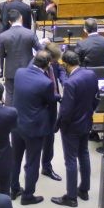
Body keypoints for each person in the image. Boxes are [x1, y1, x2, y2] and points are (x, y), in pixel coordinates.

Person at [52, 50, 98, 208]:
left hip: (72, 127)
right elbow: (95, 99)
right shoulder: (91, 75)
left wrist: (59, 126)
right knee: (84, 154)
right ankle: (84, 190)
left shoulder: (71, 84)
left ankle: (71, 197)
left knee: (70, 160)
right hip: (86, 122)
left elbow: (66, 110)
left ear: (65, 64)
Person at [10, 51, 57, 205]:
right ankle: (28, 196)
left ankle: (14, 189)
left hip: (16, 125)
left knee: (15, 159)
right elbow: (50, 102)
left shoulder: (19, 73)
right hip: (34, 128)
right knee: (32, 162)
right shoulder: (46, 82)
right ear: (48, 64)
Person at [0, 9, 42, 106]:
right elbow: (40, 49)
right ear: (21, 18)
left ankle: (10, 117)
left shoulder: (3, 36)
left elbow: (0, 54)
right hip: (28, 69)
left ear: (9, 21)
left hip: (10, 70)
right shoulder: (30, 33)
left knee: (10, 94)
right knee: (28, 94)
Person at [40, 42, 63, 182]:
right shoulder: (36, 64)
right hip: (40, 107)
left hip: (52, 105)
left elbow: (60, 71)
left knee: (50, 137)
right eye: (54, 60)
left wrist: (66, 83)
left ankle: (46, 166)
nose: (55, 62)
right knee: (37, 138)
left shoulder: (53, 63)